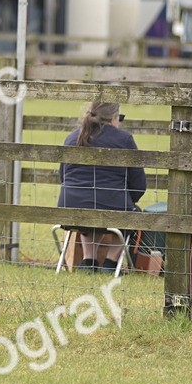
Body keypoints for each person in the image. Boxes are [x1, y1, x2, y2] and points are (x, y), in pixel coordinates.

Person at [58, 102, 146, 273]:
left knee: (89, 213)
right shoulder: (124, 139)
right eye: (120, 118)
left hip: (70, 208)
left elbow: (63, 177)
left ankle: (88, 262)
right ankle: (110, 264)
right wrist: (127, 199)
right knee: (132, 214)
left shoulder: (71, 138)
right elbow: (139, 185)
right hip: (110, 205)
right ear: (113, 118)